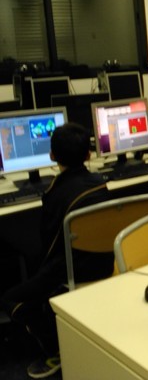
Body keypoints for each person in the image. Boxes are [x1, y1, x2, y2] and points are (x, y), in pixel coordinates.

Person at [0, 122, 112, 379]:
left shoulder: (55, 193)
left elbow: (50, 248)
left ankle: (55, 349)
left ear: (51, 156)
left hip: (72, 269)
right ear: (89, 155)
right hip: (106, 263)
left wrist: (38, 279)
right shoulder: (100, 184)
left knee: (10, 298)